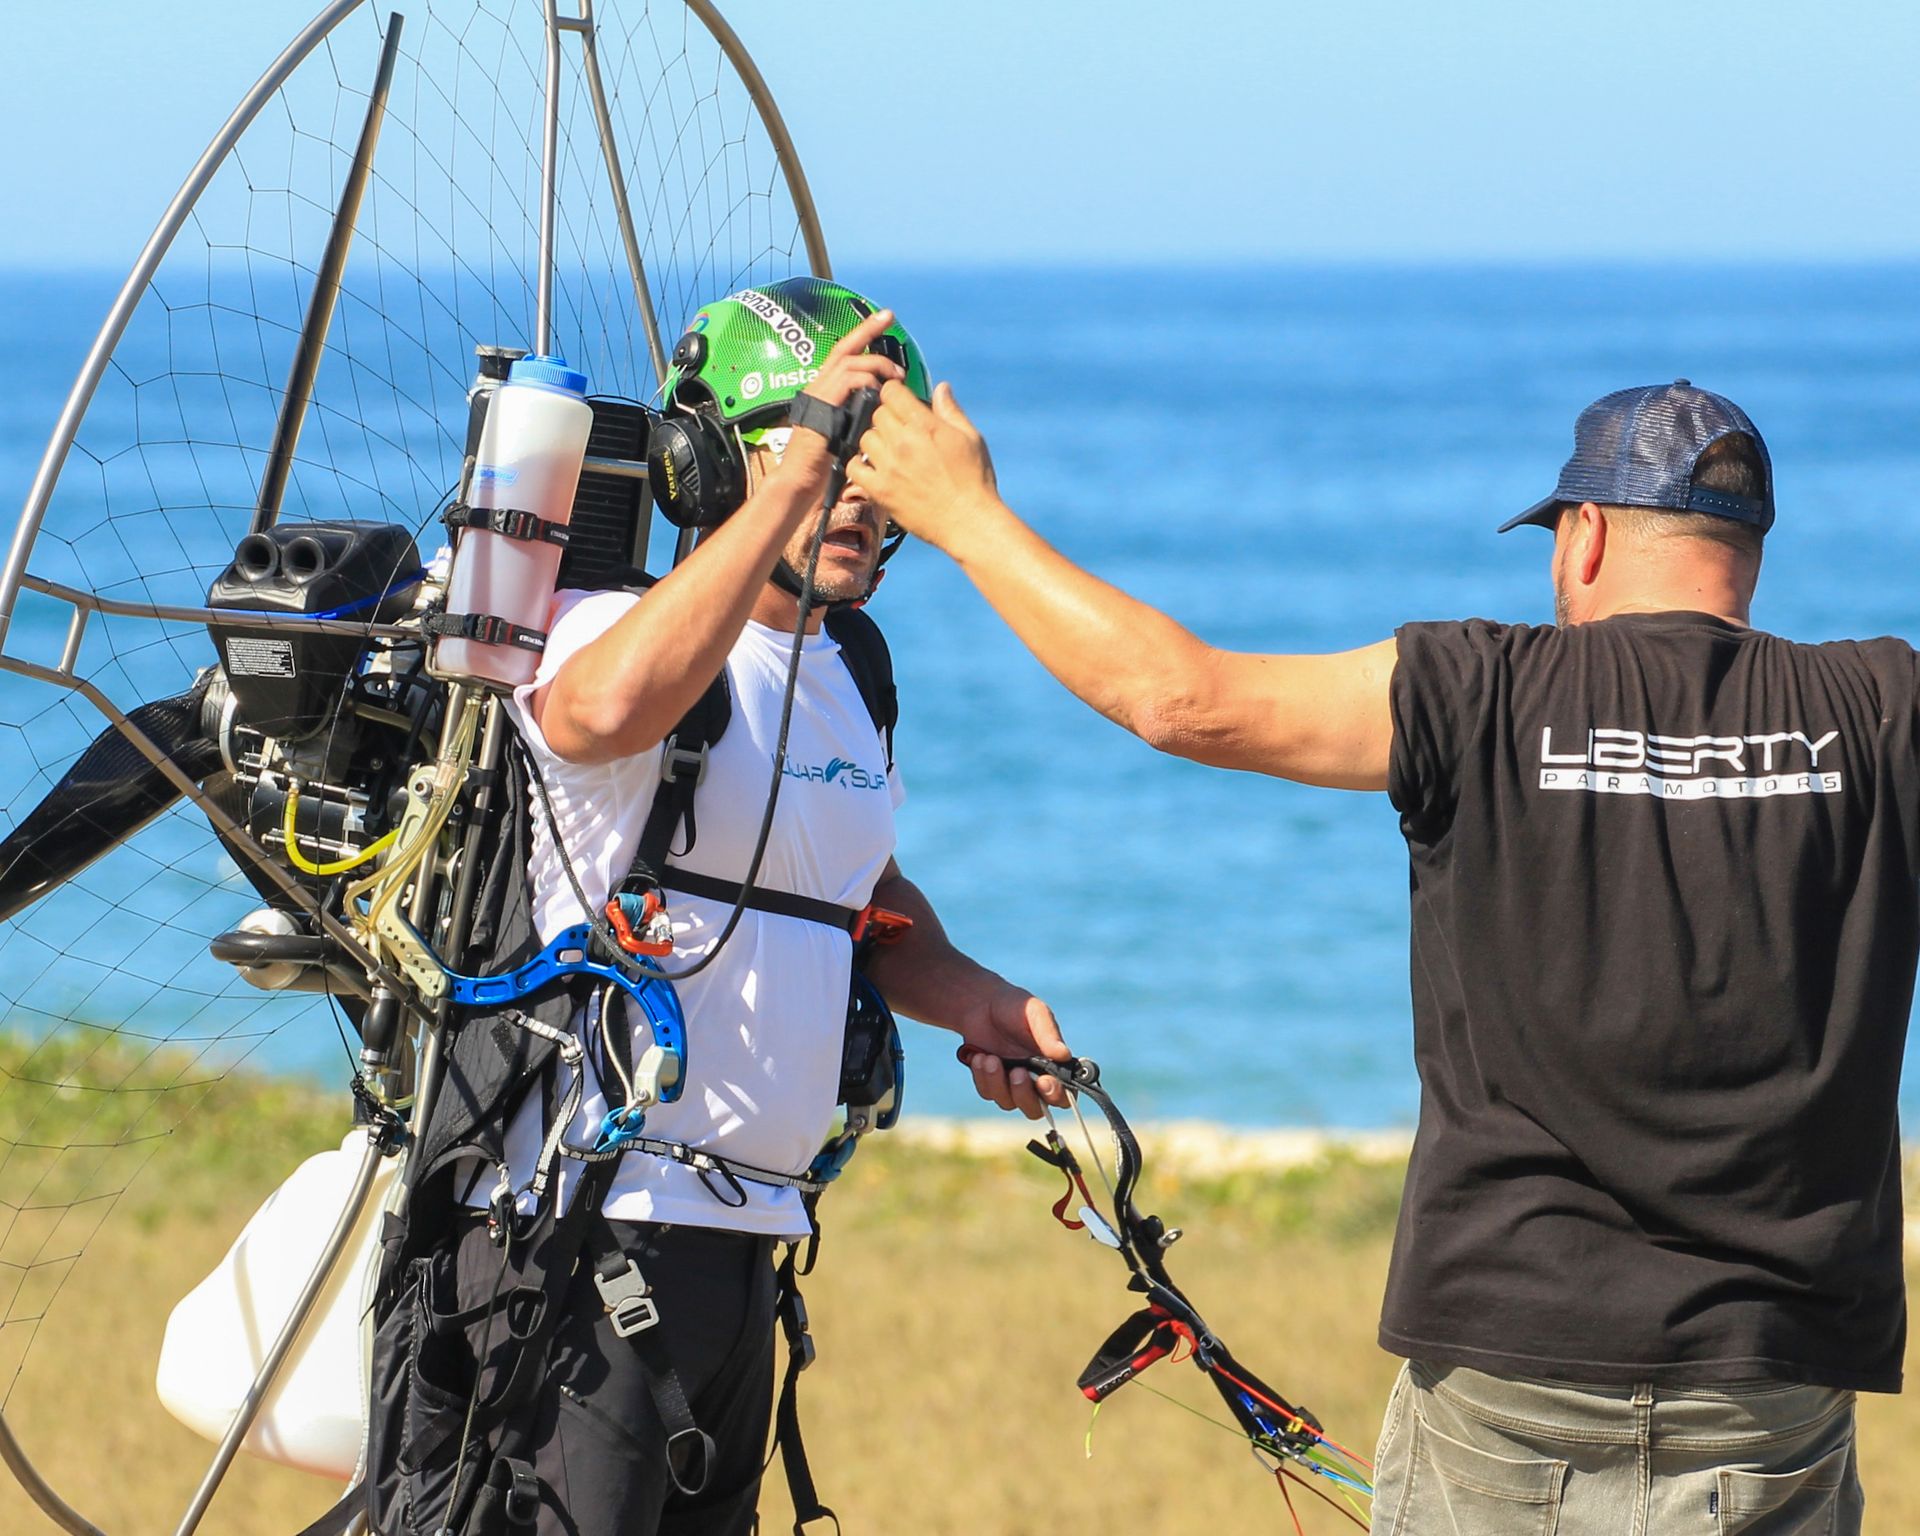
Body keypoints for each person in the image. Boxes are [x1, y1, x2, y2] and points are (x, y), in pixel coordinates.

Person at [850, 376, 1907, 1531]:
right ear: (1747, 549)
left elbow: (1179, 698)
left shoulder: (1481, 689)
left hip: (1509, 1381)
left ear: (1588, 535)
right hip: (1771, 1392)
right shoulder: (1881, 707)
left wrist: (967, 517)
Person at [375, 280, 1069, 1536]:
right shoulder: (599, 624)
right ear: (707, 459)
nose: (857, 492)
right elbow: (596, 715)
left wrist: (977, 997)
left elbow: (858, 893)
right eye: (827, 449)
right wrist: (792, 484)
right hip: (581, 1237)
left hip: (745, 1246)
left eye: (879, 465)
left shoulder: (853, 671)